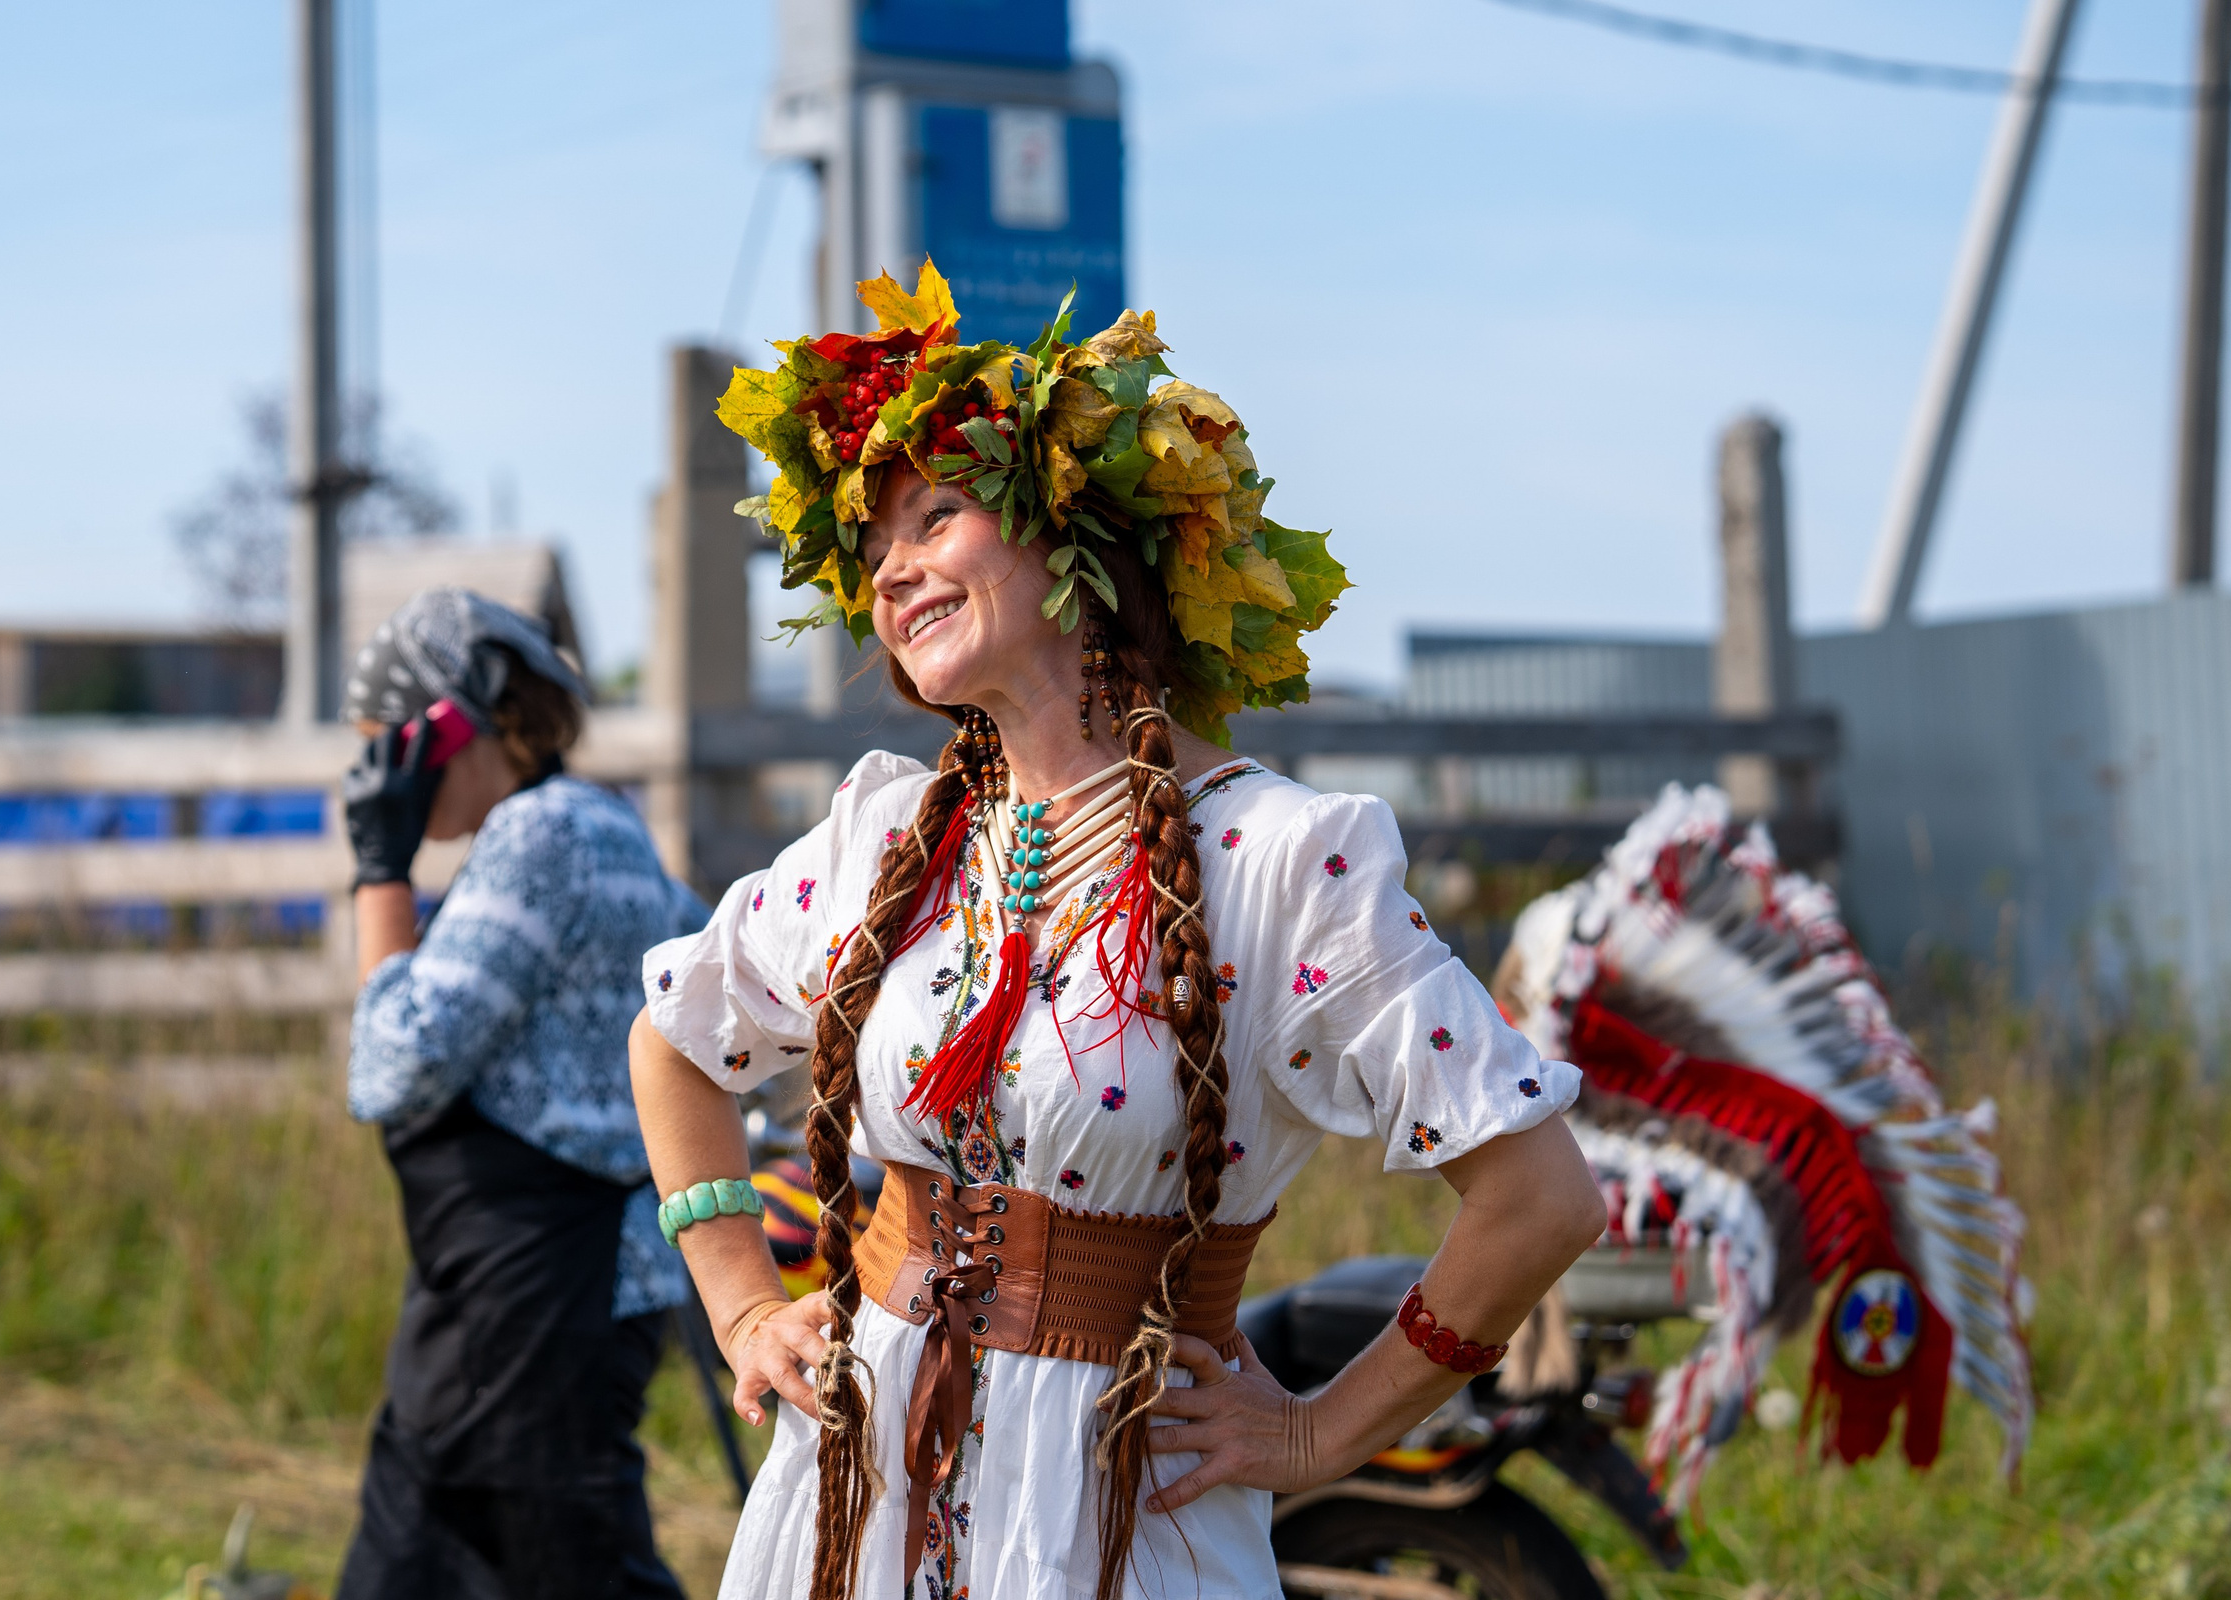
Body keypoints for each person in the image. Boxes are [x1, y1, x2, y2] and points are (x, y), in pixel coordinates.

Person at [628, 266, 1611, 1600]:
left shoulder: (1282, 865)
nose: (892, 568)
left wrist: (1320, 1435)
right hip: (855, 1495)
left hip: (1116, 1516)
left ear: (1075, 532)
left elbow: (1541, 1198)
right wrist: (743, 1303)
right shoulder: (883, 837)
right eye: (873, 550)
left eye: (935, 515)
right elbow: (675, 1039)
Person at [335, 587, 697, 1600]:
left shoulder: (542, 836)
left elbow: (393, 1066)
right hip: (509, 1296)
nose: (377, 776)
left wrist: (380, 871)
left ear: (448, 727)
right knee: (406, 1564)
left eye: (386, 748)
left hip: (541, 1304)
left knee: (572, 1573)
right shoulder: (601, 825)